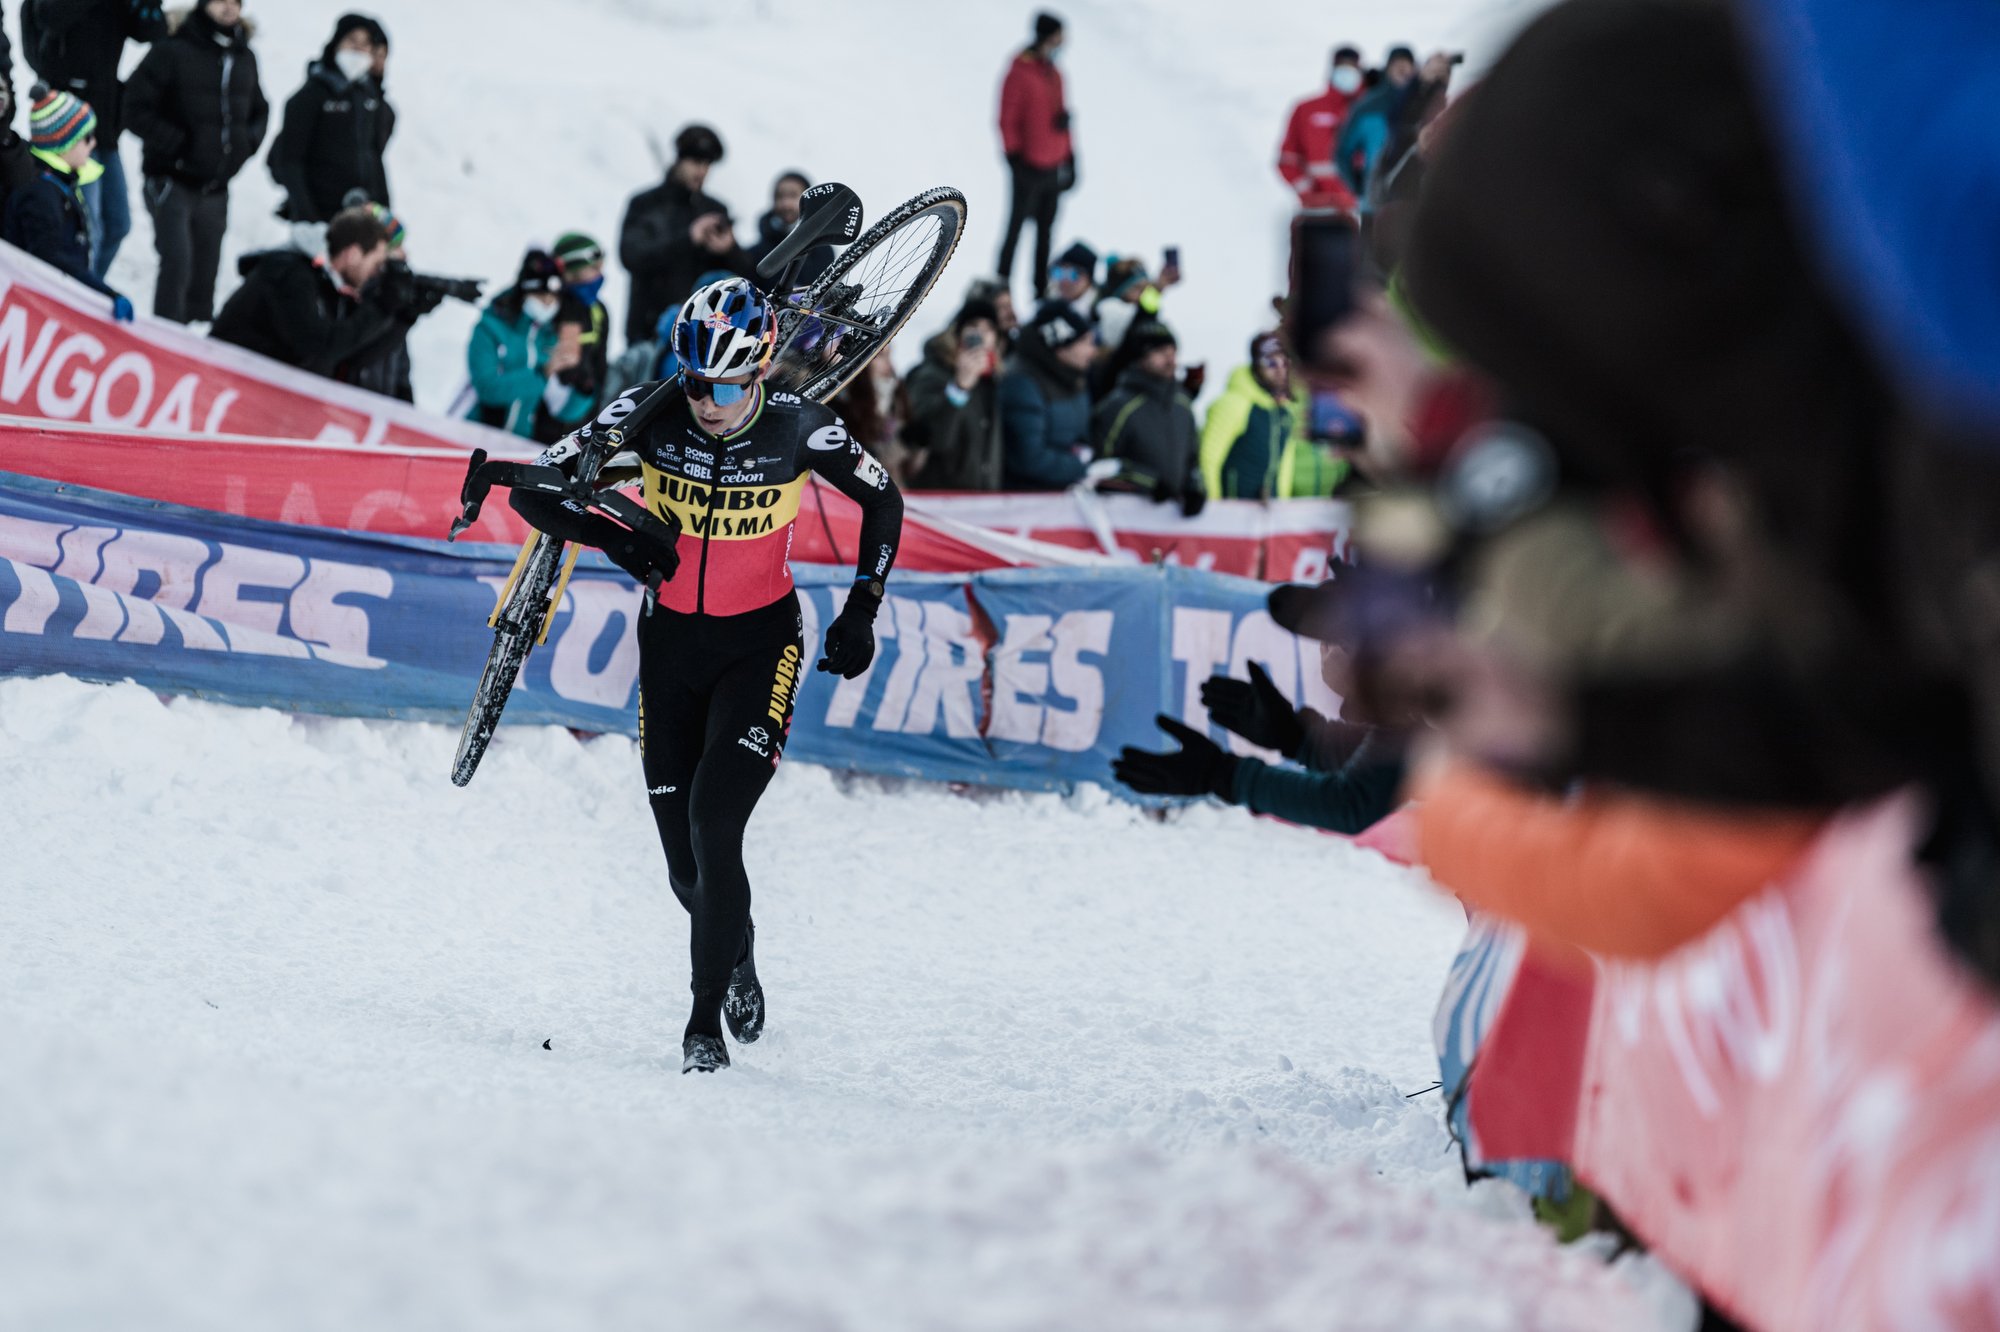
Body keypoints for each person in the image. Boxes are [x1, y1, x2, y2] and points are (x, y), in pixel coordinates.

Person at [506, 276, 905, 1074]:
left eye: (724, 386)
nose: (707, 402)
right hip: (670, 653)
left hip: (761, 648)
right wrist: (615, 539)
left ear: (758, 370)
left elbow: (884, 500)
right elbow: (533, 488)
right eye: (694, 383)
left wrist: (863, 607)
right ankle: (738, 949)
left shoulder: (800, 426)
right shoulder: (651, 414)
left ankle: (701, 1028)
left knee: (715, 825)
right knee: (686, 871)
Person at [121, 0, 269, 324]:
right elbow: (133, 108)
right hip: (171, 180)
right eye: (220, 1)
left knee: (204, 277)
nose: (228, 8)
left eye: (235, 2)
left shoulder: (244, 56)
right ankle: (162, 341)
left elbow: (259, 110)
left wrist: (244, 146)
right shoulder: (172, 50)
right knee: (177, 265)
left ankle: (194, 347)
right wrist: (178, 145)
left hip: (216, 187)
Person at [19, 0, 168, 281]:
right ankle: (78, 293)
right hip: (63, 127)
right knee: (88, 229)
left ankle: (87, 291)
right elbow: (49, 18)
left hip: (105, 124)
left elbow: (152, 31)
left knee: (118, 223)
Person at [211, 203, 394, 373]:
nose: (376, 273)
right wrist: (381, 308)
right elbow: (316, 350)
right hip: (221, 380)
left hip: (246, 381)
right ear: (353, 254)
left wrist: (399, 315)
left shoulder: (327, 284)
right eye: (376, 264)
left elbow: (346, 357)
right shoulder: (290, 274)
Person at [4, 87, 134, 319]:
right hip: (37, 311)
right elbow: (49, 262)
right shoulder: (40, 193)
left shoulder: (58, 181)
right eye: (87, 137)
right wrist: (103, 294)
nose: (93, 144)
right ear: (63, 143)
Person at [266, 14, 392, 230]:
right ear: (336, 43)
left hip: (365, 213)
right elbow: (289, 161)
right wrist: (307, 217)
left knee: (394, 244)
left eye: (365, 44)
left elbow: (373, 159)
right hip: (320, 215)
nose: (358, 49)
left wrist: (385, 212)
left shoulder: (370, 99)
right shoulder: (311, 95)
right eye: (352, 40)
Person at [619, 122, 734, 345]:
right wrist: (689, 238)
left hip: (701, 335)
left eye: (708, 164)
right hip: (648, 333)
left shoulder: (715, 210)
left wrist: (730, 249)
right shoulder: (645, 203)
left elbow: (733, 278)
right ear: (679, 159)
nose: (702, 171)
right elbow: (631, 256)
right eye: (696, 162)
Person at [464, 249, 594, 442]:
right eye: (541, 296)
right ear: (524, 293)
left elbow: (562, 411)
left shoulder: (550, 335)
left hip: (519, 442)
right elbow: (487, 389)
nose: (548, 303)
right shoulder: (490, 328)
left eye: (553, 297)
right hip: (473, 434)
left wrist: (581, 387)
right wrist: (542, 374)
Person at [1201, 332, 1350, 498]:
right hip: (1230, 507)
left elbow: (1284, 467)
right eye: (1271, 363)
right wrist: (1212, 504)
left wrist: (1281, 502)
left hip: (1270, 509)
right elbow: (1209, 458)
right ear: (1256, 365)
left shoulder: (1284, 411)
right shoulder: (1233, 403)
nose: (1280, 370)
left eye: (1285, 363)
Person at [996, 11, 1076, 296]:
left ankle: (1040, 290)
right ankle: (1000, 287)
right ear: (1047, 37)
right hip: (1027, 167)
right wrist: (1014, 158)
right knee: (1015, 228)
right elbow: (1006, 118)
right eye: (1059, 37)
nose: (1062, 42)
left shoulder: (1055, 73)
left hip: (1053, 167)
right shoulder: (1020, 72)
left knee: (1046, 232)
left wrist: (1070, 158)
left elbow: (1062, 118)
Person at [1091, 321, 1204, 514]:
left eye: (1173, 352)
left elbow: (1193, 457)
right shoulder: (1118, 406)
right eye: (1160, 352)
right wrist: (1149, 482)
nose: (1170, 360)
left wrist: (1195, 487)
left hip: (1172, 521)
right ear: (1140, 357)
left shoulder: (1182, 404)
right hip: (1123, 518)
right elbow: (1100, 465)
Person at [903, 298, 1005, 491]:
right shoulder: (931, 374)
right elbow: (932, 439)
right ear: (958, 332)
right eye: (973, 326)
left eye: (989, 329)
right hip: (937, 495)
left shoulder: (992, 380)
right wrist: (959, 388)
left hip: (980, 497)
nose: (981, 334)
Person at [998, 302, 1096, 490]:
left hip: (1064, 492)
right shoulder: (1022, 383)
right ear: (1061, 346)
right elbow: (1029, 459)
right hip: (1027, 498)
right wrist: (1083, 467)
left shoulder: (1074, 376)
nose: (1092, 351)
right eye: (1085, 342)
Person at [1276, 44, 1366, 212]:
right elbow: (1288, 160)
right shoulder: (1306, 110)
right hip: (1317, 211)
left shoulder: (1371, 112)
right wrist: (1309, 193)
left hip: (1363, 209)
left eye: (1352, 67)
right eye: (1341, 67)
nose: (1346, 73)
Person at [1334, 46, 1417, 204]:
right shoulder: (1367, 106)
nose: (1402, 70)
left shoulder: (1426, 104)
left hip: (1413, 203)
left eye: (1407, 65)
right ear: (1387, 69)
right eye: (1397, 65)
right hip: (1375, 203)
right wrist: (1359, 187)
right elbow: (1342, 152)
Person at [746, 170, 833, 287]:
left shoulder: (824, 252)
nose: (786, 204)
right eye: (779, 196)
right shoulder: (754, 255)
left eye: (793, 195)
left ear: (809, 200)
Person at [553, 231, 612, 399]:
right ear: (572, 271)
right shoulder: (550, 307)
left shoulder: (598, 311)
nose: (600, 275)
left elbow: (600, 365)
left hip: (584, 404)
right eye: (594, 268)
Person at [1038, 240, 1096, 318]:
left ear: (1088, 279)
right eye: (1058, 272)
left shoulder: (1101, 312)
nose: (1064, 281)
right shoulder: (1043, 308)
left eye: (1073, 274)